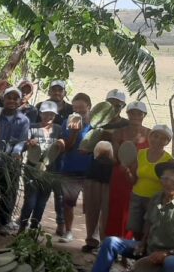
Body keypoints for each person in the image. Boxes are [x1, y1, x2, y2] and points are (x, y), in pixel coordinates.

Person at [0, 86, 30, 236]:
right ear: (3, 99)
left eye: (15, 98)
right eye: (9, 97)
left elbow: (22, 142)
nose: (11, 101)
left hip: (11, 164)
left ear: (20, 101)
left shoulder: (23, 120)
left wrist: (14, 154)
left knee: (8, 194)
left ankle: (2, 224)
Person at [106, 99, 150, 239]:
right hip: (121, 176)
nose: (135, 117)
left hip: (140, 178)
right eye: (132, 113)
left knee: (135, 213)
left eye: (139, 114)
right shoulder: (119, 133)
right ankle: (112, 244)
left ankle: (129, 248)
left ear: (144, 115)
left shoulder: (151, 134)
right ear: (128, 114)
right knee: (116, 210)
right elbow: (115, 157)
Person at [18, 100, 61, 233]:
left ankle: (34, 227)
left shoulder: (58, 129)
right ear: (40, 114)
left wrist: (62, 143)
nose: (48, 117)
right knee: (30, 200)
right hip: (32, 168)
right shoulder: (33, 127)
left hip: (49, 171)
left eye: (51, 115)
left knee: (42, 201)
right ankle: (22, 226)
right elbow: (24, 144)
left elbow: (63, 145)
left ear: (55, 116)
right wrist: (29, 142)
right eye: (45, 114)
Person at [55, 93, 93, 242]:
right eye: (75, 109)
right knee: (69, 203)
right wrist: (75, 133)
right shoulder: (68, 122)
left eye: (81, 110)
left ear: (89, 107)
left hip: (91, 171)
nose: (78, 112)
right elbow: (67, 147)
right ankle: (69, 231)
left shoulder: (96, 124)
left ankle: (91, 237)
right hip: (70, 168)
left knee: (92, 206)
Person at [126, 124, 174, 240]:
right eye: (155, 136)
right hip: (137, 196)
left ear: (167, 142)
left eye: (163, 138)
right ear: (149, 136)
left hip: (155, 199)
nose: (158, 140)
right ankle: (136, 253)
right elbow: (133, 179)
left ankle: (145, 253)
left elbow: (168, 185)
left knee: (150, 230)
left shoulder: (168, 159)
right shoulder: (140, 153)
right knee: (134, 228)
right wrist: (127, 172)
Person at [82, 141, 115, 252]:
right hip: (92, 180)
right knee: (91, 211)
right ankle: (92, 241)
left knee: (106, 214)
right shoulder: (92, 157)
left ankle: (104, 242)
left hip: (107, 182)